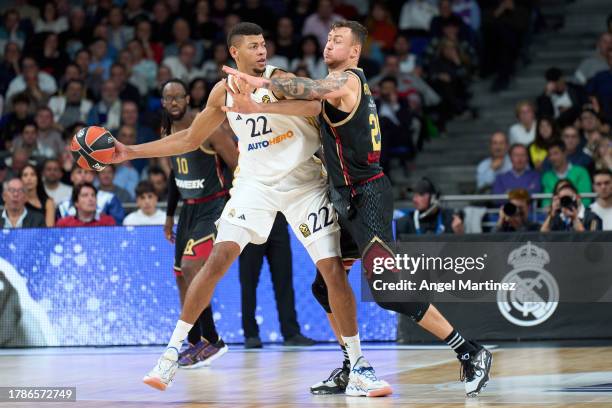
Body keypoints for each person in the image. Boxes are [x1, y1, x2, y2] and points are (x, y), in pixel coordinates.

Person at [111, 21, 389, 396]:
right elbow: (191, 138)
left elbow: (316, 103)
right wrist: (131, 152)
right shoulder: (221, 91)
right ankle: (171, 352)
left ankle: (359, 364)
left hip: (303, 182)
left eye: (264, 44)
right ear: (234, 53)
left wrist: (259, 100)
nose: (262, 51)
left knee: (331, 270)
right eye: (254, 46)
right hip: (255, 186)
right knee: (218, 259)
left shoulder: (280, 79)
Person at [225, 20, 492, 398]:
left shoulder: (347, 80)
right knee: (324, 287)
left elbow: (312, 90)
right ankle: (353, 367)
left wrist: (262, 82)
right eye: (329, 37)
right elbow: (307, 104)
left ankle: (470, 351)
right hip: (344, 199)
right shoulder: (330, 89)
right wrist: (254, 106)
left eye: (339, 40)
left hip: (368, 195)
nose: (330, 42)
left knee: (386, 289)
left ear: (354, 51)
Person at [161, 78, 237, 368]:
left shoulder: (209, 130)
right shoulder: (166, 130)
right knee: (181, 276)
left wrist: (235, 205)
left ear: (188, 99)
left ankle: (213, 340)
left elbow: (237, 166)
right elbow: (174, 175)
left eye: (179, 97)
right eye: (169, 99)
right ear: (163, 103)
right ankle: (194, 342)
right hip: (188, 209)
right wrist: (169, 215)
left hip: (213, 206)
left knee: (194, 268)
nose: (174, 103)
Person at [239, 213, 316, 348]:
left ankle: (291, 333)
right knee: (248, 283)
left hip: (278, 223)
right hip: (251, 225)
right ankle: (250, 335)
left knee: (284, 281)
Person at [57, 166, 125, 225]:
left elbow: (117, 228)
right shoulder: (63, 204)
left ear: (93, 175)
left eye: (86, 172)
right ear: (71, 177)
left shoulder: (109, 198)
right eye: (79, 172)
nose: (83, 175)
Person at [541, 140, 592, 207]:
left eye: (555, 153)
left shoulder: (581, 172)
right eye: (549, 155)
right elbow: (546, 203)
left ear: (565, 153)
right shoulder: (546, 176)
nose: (552, 158)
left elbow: (586, 200)